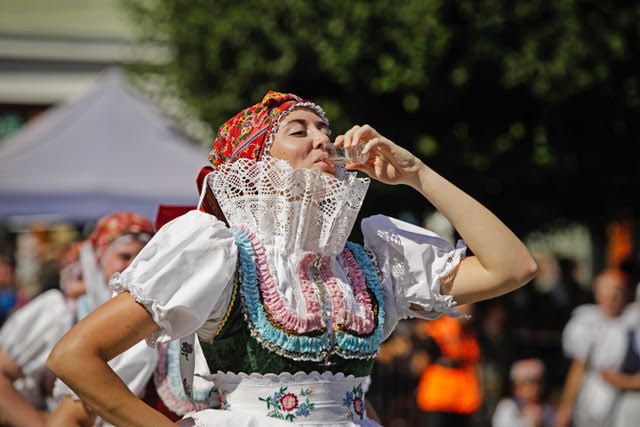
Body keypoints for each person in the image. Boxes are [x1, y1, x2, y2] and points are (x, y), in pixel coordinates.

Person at [48, 91, 538, 426]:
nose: (322, 139)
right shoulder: (219, 252)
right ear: (256, 161)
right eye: (298, 130)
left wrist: (418, 174)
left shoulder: (368, 261)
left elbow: (512, 267)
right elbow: (74, 356)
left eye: (323, 129)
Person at [0, 212, 152, 427]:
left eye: (145, 257)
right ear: (100, 258)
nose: (135, 266)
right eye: (125, 256)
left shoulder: (151, 317)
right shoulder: (61, 312)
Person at [555, 269, 632, 427]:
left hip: (627, 400)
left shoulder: (633, 320)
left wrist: (625, 381)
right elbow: (578, 367)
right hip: (592, 399)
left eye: (617, 290)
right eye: (607, 290)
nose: (612, 296)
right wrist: (566, 407)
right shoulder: (586, 321)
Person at [415, 304, 482, 426]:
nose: (467, 309)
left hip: (463, 399)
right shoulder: (436, 327)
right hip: (438, 396)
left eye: (469, 306)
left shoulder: (472, 332)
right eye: (463, 305)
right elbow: (421, 360)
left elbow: (474, 360)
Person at [492, 358, 555, 427]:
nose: (536, 388)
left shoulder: (546, 408)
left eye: (539, 382)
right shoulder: (507, 407)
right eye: (531, 382)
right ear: (517, 386)